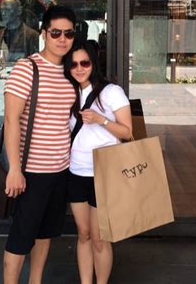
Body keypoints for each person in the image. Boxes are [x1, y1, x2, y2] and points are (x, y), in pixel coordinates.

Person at [3, 5, 77, 284]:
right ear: (44, 33)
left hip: (61, 169)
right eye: (56, 32)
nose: (62, 39)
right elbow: (11, 120)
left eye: (68, 33)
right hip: (31, 171)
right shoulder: (27, 68)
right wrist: (15, 169)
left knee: (46, 233)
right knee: (21, 237)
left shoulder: (70, 73)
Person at [63, 40, 132, 284]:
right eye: (73, 64)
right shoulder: (68, 92)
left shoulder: (111, 92)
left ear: (93, 63)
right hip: (76, 171)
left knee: (100, 237)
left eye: (84, 63)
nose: (79, 68)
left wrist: (101, 119)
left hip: (104, 172)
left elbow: (127, 132)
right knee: (83, 234)